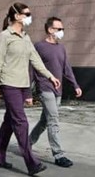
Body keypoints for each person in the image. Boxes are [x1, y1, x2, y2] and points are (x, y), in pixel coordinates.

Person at [0, 2, 60, 177]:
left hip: (21, 85)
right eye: (27, 14)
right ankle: (31, 162)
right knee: (21, 122)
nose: (29, 16)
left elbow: (35, 60)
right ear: (17, 16)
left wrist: (50, 76)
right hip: (9, 84)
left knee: (9, 122)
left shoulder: (26, 37)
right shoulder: (5, 36)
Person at [28, 16, 82, 168]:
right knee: (54, 120)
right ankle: (58, 155)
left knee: (45, 121)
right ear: (50, 30)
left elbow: (67, 69)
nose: (62, 32)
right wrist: (28, 93)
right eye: (59, 29)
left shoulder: (61, 48)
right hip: (45, 88)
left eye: (62, 29)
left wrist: (75, 85)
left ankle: (27, 143)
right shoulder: (39, 47)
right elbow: (31, 69)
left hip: (58, 89)